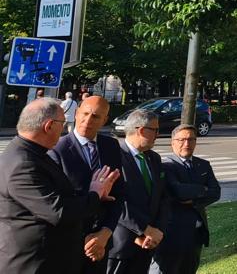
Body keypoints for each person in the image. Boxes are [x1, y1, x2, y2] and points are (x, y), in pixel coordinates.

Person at [0, 98, 119, 273]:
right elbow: (58, 212)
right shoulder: (24, 163)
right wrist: (95, 193)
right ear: (49, 126)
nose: (63, 129)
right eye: (62, 124)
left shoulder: (31, 153)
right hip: (35, 263)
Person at [50, 96, 127, 273]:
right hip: (67, 244)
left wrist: (105, 233)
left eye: (96, 116)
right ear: (76, 113)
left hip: (101, 244)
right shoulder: (57, 149)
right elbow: (56, 203)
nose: (88, 120)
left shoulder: (111, 146)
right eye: (85, 113)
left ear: (105, 120)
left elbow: (119, 194)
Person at [151, 124, 221, 274]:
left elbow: (216, 192)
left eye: (191, 139)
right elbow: (179, 192)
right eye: (181, 140)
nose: (187, 144)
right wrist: (204, 189)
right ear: (173, 142)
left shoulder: (203, 165)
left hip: (196, 234)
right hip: (172, 234)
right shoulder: (166, 166)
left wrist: (193, 198)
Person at [107, 109, 170, 274]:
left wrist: (157, 231)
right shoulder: (113, 155)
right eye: (155, 130)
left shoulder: (154, 158)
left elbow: (162, 197)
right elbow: (115, 199)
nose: (158, 134)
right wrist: (143, 229)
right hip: (120, 245)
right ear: (141, 130)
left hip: (148, 245)